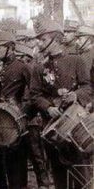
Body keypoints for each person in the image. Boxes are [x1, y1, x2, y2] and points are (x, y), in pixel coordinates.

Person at [29, 19, 92, 189]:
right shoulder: (38, 67)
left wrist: (75, 95)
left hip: (76, 126)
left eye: (43, 39)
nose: (38, 43)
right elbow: (34, 95)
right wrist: (48, 107)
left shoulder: (76, 60)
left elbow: (87, 87)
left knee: (80, 173)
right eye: (38, 39)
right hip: (52, 128)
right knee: (58, 174)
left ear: (55, 40)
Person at [0, 31, 31, 189]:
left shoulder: (22, 67)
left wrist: (21, 111)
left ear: (10, 48)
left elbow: (32, 93)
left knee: (16, 163)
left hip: (15, 120)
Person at [14, 43, 51, 189]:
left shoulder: (31, 70)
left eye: (20, 57)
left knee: (36, 153)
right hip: (17, 117)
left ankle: (44, 183)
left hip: (30, 118)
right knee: (19, 153)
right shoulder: (19, 70)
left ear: (26, 58)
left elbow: (35, 92)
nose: (18, 60)